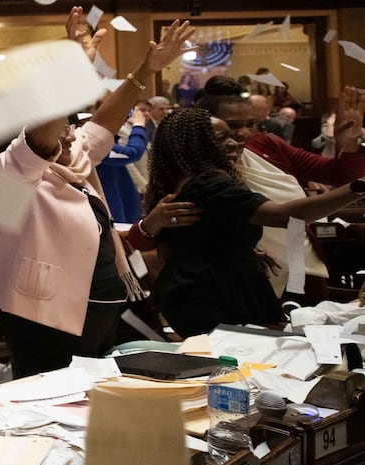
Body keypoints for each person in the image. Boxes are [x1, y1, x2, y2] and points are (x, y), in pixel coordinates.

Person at [0, 8, 193, 378]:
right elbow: (42, 134)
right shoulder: (12, 168)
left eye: (70, 123)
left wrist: (147, 68)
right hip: (44, 316)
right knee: (46, 397)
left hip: (98, 306)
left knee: (88, 399)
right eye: (61, 123)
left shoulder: (75, 154)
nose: (69, 132)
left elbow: (108, 119)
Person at [144, 108, 365, 337]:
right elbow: (282, 217)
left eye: (246, 126)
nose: (235, 141)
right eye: (221, 138)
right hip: (210, 294)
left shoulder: (190, 181)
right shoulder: (207, 184)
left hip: (225, 282)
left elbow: (202, 234)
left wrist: (237, 249)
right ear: (194, 146)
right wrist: (359, 187)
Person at [194, 77, 364, 296]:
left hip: (301, 262)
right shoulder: (196, 170)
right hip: (246, 274)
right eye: (233, 125)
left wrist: (349, 143)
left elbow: (337, 175)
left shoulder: (268, 143)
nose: (244, 132)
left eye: (250, 124)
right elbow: (283, 215)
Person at [95, 105, 147, 223]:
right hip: (110, 210)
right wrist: (138, 125)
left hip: (121, 203)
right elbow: (133, 153)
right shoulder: (94, 142)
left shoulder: (110, 139)